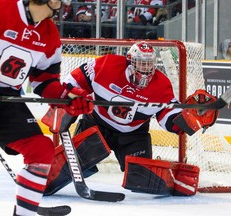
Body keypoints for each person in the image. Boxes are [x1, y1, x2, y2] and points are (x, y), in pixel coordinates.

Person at [0, 0, 93, 216]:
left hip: (5, 97)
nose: (63, 4)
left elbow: (44, 80)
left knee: (41, 150)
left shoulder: (49, 34)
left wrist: (66, 96)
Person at [43, 41, 219, 197]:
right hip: (96, 125)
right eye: (141, 63)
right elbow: (74, 80)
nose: (145, 69)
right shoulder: (107, 65)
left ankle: (174, 179)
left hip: (133, 136)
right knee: (70, 167)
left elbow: (167, 117)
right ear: (130, 61)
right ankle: (39, 181)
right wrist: (68, 99)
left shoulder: (161, 84)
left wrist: (187, 119)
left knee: (141, 179)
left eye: (149, 64)